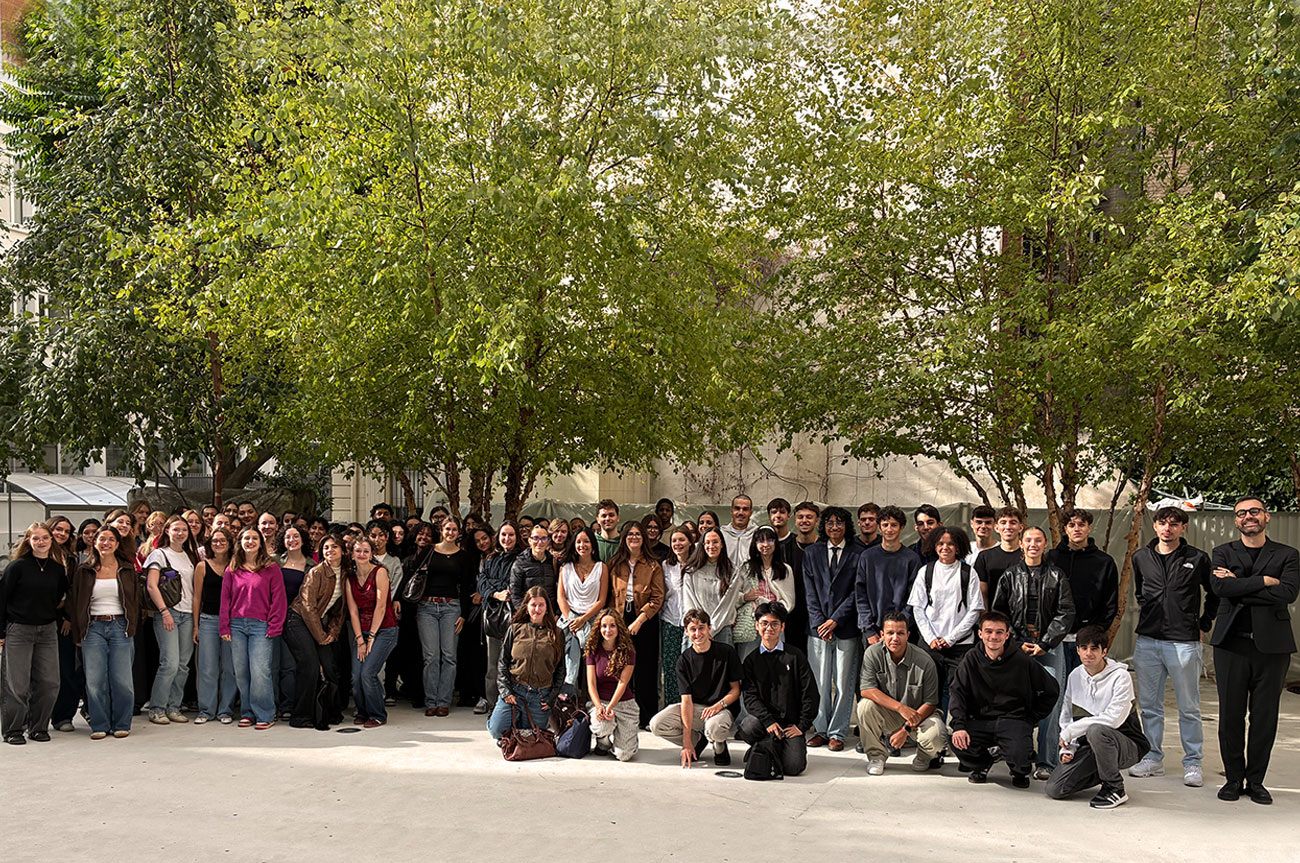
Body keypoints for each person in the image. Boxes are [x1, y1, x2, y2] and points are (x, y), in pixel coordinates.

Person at [1209, 496, 1299, 805]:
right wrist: (1263, 581)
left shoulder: (1288, 554)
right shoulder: (1222, 552)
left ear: (1266, 517)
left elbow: (1286, 593)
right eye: (1242, 513)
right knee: (1230, 716)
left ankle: (1256, 780)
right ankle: (1234, 779)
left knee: (1264, 717)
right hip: (1231, 644)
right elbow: (1221, 589)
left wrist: (1241, 586)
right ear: (1236, 521)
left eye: (1254, 511)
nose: (1249, 516)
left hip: (1272, 647)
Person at [1127, 506, 1214, 787]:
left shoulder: (1197, 558)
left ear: (1183, 528)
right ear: (1155, 526)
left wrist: (1203, 623)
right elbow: (1141, 591)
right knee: (1150, 706)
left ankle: (1193, 762)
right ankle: (1152, 757)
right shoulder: (1141, 557)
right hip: (1149, 641)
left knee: (1189, 707)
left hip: (1184, 642)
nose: (1168, 528)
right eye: (1163, 523)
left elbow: (1214, 594)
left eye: (1174, 524)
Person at [991, 525, 1075, 779]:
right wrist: (1015, 642)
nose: (1033, 544)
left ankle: (1047, 761)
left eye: (1038, 540)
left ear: (1045, 543)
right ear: (1021, 543)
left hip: (1048, 648)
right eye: (1028, 540)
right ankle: (1018, 752)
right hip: (1016, 649)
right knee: (1014, 700)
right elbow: (1000, 613)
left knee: (1052, 702)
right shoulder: (1009, 576)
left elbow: (1066, 612)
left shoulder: (1057, 576)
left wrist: (1046, 643)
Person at [948, 611, 1060, 787]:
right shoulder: (971, 659)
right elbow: (957, 692)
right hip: (980, 720)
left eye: (999, 632)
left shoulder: (1022, 660)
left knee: (1020, 753)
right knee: (957, 741)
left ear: (1007, 635)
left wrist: (1031, 718)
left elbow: (1051, 690)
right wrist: (959, 725)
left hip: (1013, 719)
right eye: (989, 631)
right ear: (980, 634)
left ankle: (1019, 771)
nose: (994, 636)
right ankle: (982, 764)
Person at [1045, 625, 1149, 809]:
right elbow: (1067, 717)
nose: (1088, 653)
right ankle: (1103, 772)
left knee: (1097, 730)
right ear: (1077, 650)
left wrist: (1071, 732)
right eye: (1084, 648)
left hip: (1126, 745)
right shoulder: (1075, 676)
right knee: (1055, 788)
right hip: (1091, 745)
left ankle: (1115, 788)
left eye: (1094, 648)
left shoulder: (1121, 677)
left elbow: (1112, 720)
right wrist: (1069, 748)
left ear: (1104, 651)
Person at [2, 523, 70, 745]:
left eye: (45, 538)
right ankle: (13, 730)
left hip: (47, 630)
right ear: (29, 541)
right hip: (19, 630)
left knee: (50, 683)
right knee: (16, 685)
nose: (41, 542)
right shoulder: (18, 567)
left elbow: (59, 596)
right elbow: (2, 599)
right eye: (36, 538)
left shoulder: (57, 570)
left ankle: (38, 727)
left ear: (52, 540)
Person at [803, 505, 864, 751]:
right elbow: (809, 592)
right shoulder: (812, 553)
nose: (834, 527)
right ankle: (820, 729)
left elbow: (857, 591)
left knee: (843, 681)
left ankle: (838, 732)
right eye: (830, 523)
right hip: (817, 628)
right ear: (824, 526)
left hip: (846, 626)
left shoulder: (858, 553)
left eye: (839, 523)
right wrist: (820, 622)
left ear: (847, 526)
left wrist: (835, 619)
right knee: (819, 681)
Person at [69, 526, 139, 739]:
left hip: (120, 625)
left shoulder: (127, 569)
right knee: (95, 679)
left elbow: (135, 600)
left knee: (122, 680)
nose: (106, 543)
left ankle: (122, 723)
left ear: (117, 544)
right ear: (94, 543)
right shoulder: (84, 570)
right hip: (93, 628)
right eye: (102, 539)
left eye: (111, 539)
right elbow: (75, 602)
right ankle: (99, 724)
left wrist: (131, 625)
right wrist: (77, 632)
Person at [857, 612, 947, 775]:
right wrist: (900, 708)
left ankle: (924, 757)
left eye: (900, 633)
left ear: (908, 635)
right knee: (864, 707)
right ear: (882, 635)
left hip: (918, 716)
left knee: (938, 734)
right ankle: (876, 756)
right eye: (890, 633)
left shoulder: (925, 661)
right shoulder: (872, 653)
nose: (895, 638)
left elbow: (931, 703)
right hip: (890, 713)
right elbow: (867, 689)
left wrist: (905, 729)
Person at [649, 608, 742, 767]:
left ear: (709, 628)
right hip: (697, 709)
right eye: (693, 629)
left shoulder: (726, 652)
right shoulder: (683, 661)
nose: (697, 633)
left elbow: (736, 690)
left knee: (714, 727)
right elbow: (686, 701)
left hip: (721, 709)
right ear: (686, 631)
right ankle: (697, 741)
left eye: (701, 628)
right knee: (657, 724)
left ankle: (719, 746)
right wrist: (686, 743)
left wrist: (719, 705)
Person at [907, 525, 984, 711]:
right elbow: (918, 608)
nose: (945, 548)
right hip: (930, 645)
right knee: (930, 692)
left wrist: (950, 639)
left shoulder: (968, 573)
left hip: (960, 646)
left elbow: (974, 611)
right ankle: (935, 734)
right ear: (934, 546)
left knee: (956, 691)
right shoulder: (926, 571)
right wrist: (931, 639)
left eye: (950, 544)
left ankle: (954, 732)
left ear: (958, 547)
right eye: (940, 543)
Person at [738, 601, 818, 777]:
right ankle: (770, 745)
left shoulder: (795, 656)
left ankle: (767, 748)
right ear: (757, 626)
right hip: (765, 724)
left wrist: (801, 726)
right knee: (747, 726)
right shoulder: (751, 661)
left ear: (782, 627)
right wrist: (768, 721)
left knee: (793, 767)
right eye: (764, 623)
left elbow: (810, 693)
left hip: (791, 724)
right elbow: (750, 697)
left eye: (774, 624)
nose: (769, 628)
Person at [219, 527, 287, 730]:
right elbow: (225, 600)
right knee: (241, 672)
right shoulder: (232, 568)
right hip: (237, 625)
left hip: (261, 626)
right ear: (240, 542)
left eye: (254, 538)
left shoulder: (271, 568)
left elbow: (279, 599)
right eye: (246, 538)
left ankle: (265, 713)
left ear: (261, 542)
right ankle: (248, 712)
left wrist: (275, 624)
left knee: (260, 671)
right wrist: (225, 626)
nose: (250, 541)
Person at [606, 520, 665, 727]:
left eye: (637, 534)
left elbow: (658, 597)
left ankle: (647, 717)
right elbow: (610, 595)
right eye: (630, 534)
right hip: (620, 620)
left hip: (645, 620)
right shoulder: (615, 563)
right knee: (621, 667)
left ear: (643, 538)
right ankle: (622, 716)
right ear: (624, 538)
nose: (633, 537)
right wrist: (615, 623)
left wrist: (640, 620)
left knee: (646, 669)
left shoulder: (652, 565)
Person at [486, 586, 565, 740]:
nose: (537, 609)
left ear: (547, 608)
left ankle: (518, 726)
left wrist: (551, 698)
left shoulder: (556, 633)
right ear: (526, 608)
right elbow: (502, 663)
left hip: (540, 695)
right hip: (514, 691)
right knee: (496, 731)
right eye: (533, 605)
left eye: (541, 605)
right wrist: (506, 691)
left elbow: (561, 670)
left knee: (530, 736)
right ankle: (499, 719)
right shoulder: (515, 629)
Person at [1047, 508, 1118, 674]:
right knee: (1056, 690)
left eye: (1081, 524)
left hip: (1087, 641)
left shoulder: (1104, 562)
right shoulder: (1052, 558)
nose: (1076, 529)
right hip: (1054, 639)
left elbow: (1110, 601)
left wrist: (1096, 631)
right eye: (1071, 525)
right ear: (1065, 529)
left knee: (1085, 692)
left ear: (1089, 528)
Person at [143, 515, 199, 724]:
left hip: (188, 614)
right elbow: (151, 585)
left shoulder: (190, 556)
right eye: (176, 529)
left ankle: (174, 706)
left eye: (184, 530)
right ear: (167, 531)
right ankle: (157, 708)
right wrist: (164, 611)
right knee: (169, 663)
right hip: (169, 612)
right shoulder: (159, 554)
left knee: (183, 664)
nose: (181, 533)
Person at [417, 516, 474, 717]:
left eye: (454, 529)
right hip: (427, 607)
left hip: (452, 608)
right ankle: (431, 701)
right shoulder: (429, 551)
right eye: (447, 529)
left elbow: (467, 587)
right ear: (441, 530)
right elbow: (415, 575)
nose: (450, 532)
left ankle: (443, 702)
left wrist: (464, 615)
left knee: (449, 656)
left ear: (459, 533)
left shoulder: (463, 556)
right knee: (431, 656)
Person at [346, 537, 398, 727]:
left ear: (371, 554)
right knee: (356, 676)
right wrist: (360, 639)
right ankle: (362, 710)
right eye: (358, 551)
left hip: (384, 630)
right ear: (351, 553)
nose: (362, 554)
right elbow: (352, 611)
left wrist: (371, 638)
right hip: (362, 631)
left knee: (368, 673)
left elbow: (381, 607)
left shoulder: (380, 572)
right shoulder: (350, 578)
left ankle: (377, 714)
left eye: (366, 551)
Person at [855, 506, 922, 646]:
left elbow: (914, 597)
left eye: (894, 525)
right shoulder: (867, 557)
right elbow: (861, 596)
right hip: (873, 631)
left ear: (902, 527)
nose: (889, 529)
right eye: (885, 525)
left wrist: (898, 629)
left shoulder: (912, 559)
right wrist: (869, 630)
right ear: (879, 527)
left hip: (901, 632)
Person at [192, 527, 237, 725]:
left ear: (229, 543)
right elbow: (196, 598)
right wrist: (195, 626)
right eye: (214, 541)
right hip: (208, 620)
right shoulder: (202, 566)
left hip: (232, 622)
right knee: (207, 667)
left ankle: (225, 709)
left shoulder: (236, 566)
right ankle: (206, 710)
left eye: (222, 541)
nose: (218, 544)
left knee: (229, 668)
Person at [557, 527, 607, 696]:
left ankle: (586, 695)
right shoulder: (566, 567)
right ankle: (568, 691)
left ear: (593, 545)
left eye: (586, 541)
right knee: (570, 645)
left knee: (590, 654)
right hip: (568, 618)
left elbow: (601, 600)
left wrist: (583, 619)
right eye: (578, 541)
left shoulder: (601, 568)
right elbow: (561, 598)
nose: (582, 545)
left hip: (592, 619)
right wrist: (573, 620)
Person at [734, 527, 795, 663]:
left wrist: (774, 612)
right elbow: (734, 597)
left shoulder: (785, 570)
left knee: (776, 663)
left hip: (775, 623)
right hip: (752, 623)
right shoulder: (746, 568)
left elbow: (789, 602)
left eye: (770, 540)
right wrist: (745, 597)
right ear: (755, 544)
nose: (765, 545)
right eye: (761, 541)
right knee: (748, 662)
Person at [585, 610, 639, 760]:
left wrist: (610, 707)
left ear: (618, 628)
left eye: (612, 626)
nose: (607, 630)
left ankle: (627, 739)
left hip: (624, 703)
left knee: (624, 755)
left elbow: (622, 683)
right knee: (603, 726)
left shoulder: (628, 651)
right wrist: (599, 707)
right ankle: (603, 742)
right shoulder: (592, 650)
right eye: (604, 626)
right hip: (600, 701)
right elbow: (591, 683)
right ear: (599, 628)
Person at [479, 521, 521, 711]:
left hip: (516, 617)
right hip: (494, 616)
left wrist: (496, 585)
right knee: (493, 664)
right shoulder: (490, 559)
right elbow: (482, 583)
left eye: (511, 534)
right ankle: (493, 703)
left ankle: (513, 704)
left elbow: (513, 583)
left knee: (515, 663)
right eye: (504, 534)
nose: (507, 538)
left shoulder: (522, 558)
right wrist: (496, 593)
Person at [44, 516, 80, 733]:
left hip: (62, 620)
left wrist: (68, 617)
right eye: (58, 529)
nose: (62, 534)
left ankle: (63, 715)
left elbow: (72, 591)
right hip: (36, 619)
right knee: (39, 672)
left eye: (66, 531)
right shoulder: (33, 556)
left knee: (67, 671)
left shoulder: (71, 559)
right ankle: (35, 717)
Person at [682, 527, 746, 644]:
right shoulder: (691, 571)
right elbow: (689, 602)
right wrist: (701, 627)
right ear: (702, 545)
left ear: (722, 544)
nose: (711, 546)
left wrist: (712, 630)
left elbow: (727, 604)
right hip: (696, 631)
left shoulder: (732, 571)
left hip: (722, 630)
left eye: (715, 542)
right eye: (707, 542)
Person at [274, 525, 312, 718]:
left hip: (299, 620)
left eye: (296, 536)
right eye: (288, 537)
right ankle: (279, 704)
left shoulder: (312, 566)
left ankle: (292, 704)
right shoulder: (273, 562)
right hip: (275, 618)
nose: (292, 540)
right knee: (278, 665)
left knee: (294, 663)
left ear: (303, 540)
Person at [660, 527, 693, 708]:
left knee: (692, 669)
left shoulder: (699, 564)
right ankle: (672, 708)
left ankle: (691, 710)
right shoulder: (666, 566)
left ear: (690, 542)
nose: (677, 544)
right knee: (671, 669)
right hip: (671, 621)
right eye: (674, 541)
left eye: (682, 540)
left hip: (693, 625)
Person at [769, 497, 808, 649]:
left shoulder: (797, 543)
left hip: (798, 610)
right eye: (774, 512)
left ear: (788, 516)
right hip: (773, 609)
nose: (778, 515)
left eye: (782, 512)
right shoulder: (764, 543)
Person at [974, 506, 1024, 604]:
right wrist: (985, 617)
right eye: (1003, 522)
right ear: (996, 527)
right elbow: (982, 594)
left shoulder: (1029, 557)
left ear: (1020, 528)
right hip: (994, 616)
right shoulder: (984, 557)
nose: (1008, 527)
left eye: (1013, 522)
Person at [511, 524, 560, 614]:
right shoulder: (520, 563)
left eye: (544, 538)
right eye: (536, 538)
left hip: (550, 614)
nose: (540, 542)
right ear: (529, 540)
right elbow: (515, 593)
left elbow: (560, 592)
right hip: (529, 614)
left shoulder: (554, 562)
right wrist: (524, 612)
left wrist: (557, 613)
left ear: (548, 541)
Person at [721, 494, 757, 564]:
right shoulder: (721, 534)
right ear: (731, 511)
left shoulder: (757, 534)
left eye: (745, 509)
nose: (741, 512)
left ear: (750, 513)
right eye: (737, 508)